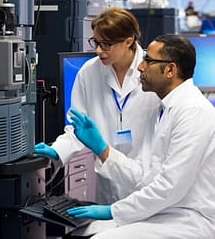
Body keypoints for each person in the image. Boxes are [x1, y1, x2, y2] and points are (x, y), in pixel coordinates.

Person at [67, 34, 215, 238]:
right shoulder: (167, 109)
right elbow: (147, 176)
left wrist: (114, 210)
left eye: (149, 60)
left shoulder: (193, 112)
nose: (140, 67)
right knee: (84, 231)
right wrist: (103, 150)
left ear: (170, 70)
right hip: (167, 211)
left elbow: (170, 187)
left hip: (190, 218)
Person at [34, 7, 160, 205]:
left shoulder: (152, 72)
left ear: (129, 41)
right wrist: (58, 150)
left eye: (106, 44)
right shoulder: (89, 72)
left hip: (147, 182)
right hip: (108, 183)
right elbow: (78, 127)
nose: (98, 50)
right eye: (96, 42)